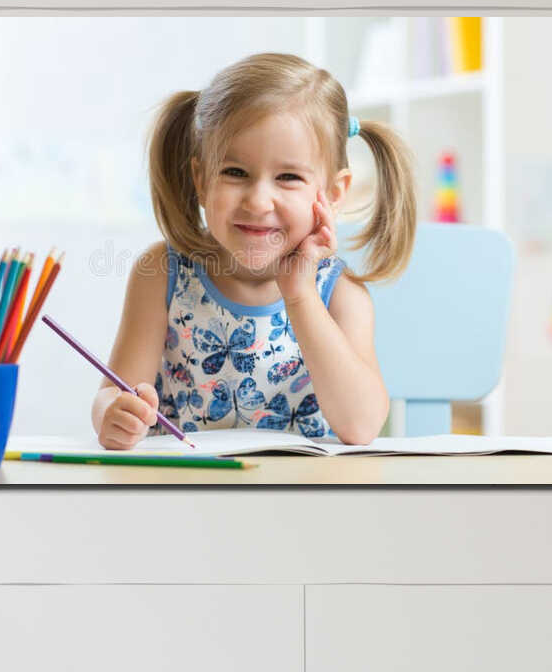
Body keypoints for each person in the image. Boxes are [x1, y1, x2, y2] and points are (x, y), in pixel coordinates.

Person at [92, 52, 417, 449]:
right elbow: (114, 391)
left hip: (300, 485)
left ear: (333, 194)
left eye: (288, 177)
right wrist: (114, 413)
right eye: (235, 172)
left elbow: (361, 426)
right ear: (200, 180)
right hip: (186, 481)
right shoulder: (162, 272)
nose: (259, 201)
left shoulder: (339, 292)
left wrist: (300, 295)